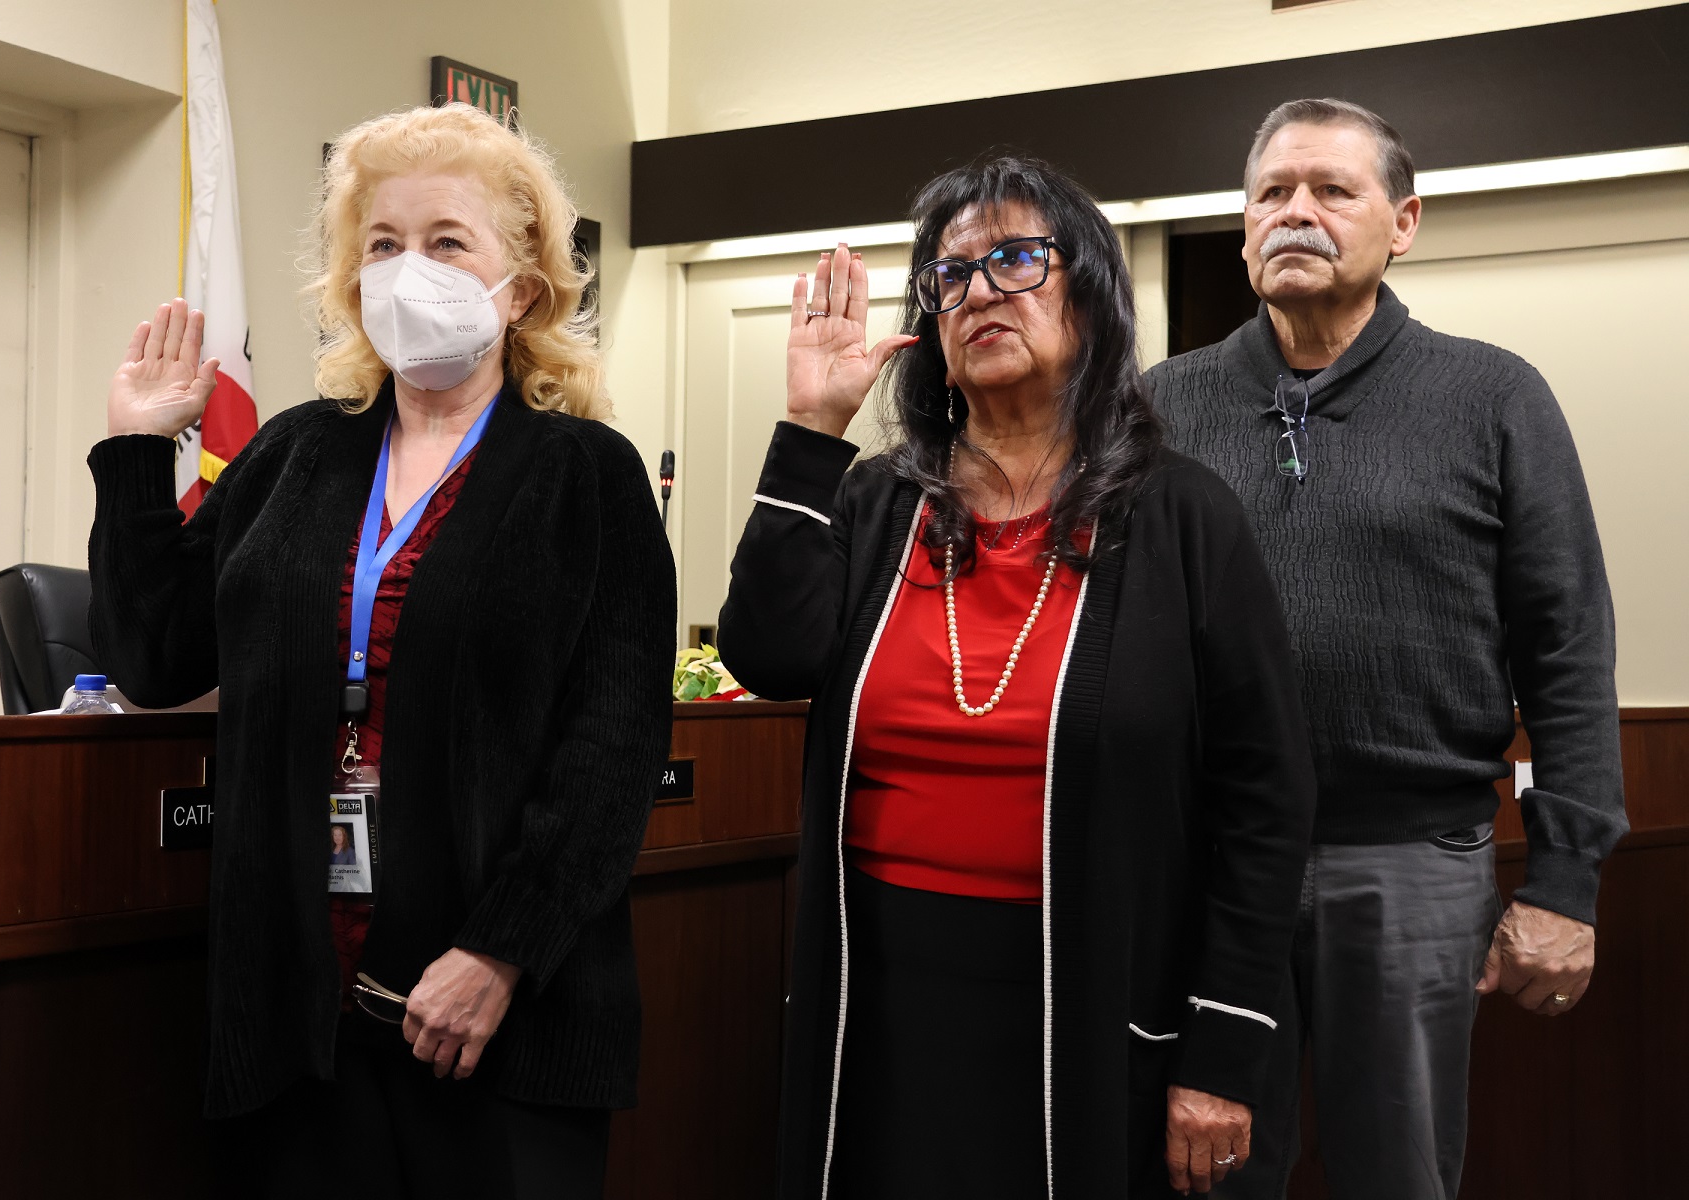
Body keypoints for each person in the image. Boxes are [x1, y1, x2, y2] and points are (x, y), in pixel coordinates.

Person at [86, 103, 675, 1197]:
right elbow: (156, 657)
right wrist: (134, 452)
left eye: (447, 242)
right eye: (383, 244)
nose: (410, 270)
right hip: (294, 1024)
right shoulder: (293, 455)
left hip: (495, 1022)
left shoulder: (587, 476)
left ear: (522, 289)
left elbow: (610, 754)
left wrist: (501, 951)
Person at [718, 155, 1318, 1199]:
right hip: (886, 986)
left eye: (1017, 259)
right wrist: (812, 431)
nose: (980, 290)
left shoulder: (1182, 515)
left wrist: (1225, 1045)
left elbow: (1267, 799)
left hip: (1093, 986)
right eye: (951, 275)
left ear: (1090, 296)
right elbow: (767, 654)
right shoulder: (878, 502)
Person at [1145, 99, 1627, 1200]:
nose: (1296, 213)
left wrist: (1566, 878)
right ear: (1243, 226)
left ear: (1403, 223)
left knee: (1398, 1178)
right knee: (1203, 1178)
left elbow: (1566, 644)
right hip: (1215, 869)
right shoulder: (1161, 405)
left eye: (1332, 190)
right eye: (1273, 193)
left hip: (1415, 863)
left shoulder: (1494, 395)